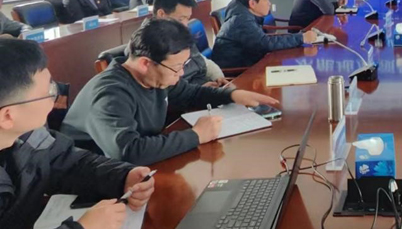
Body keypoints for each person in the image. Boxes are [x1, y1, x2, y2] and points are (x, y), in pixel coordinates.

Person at [0, 38, 156, 229]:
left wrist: (122, 176)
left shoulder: (25, 132)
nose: (54, 100)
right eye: (47, 93)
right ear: (8, 116)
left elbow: (67, 161)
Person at [61, 18, 279, 165]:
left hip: (139, 168)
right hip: (95, 183)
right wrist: (196, 135)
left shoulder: (156, 77)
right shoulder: (110, 93)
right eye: (177, 67)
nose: (181, 73)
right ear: (145, 63)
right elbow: (128, 151)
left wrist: (232, 95)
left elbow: (190, 94)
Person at [214, 0, 317, 68]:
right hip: (238, 73)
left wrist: (298, 37)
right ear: (252, 3)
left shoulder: (244, 15)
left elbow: (262, 42)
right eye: (265, 0)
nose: (269, 3)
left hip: (249, 63)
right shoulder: (241, 21)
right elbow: (265, 44)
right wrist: (301, 38)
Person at [148, 0, 227, 86]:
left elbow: (202, 61)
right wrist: (200, 90)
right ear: (161, 14)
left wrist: (219, 79)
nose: (185, 25)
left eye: (187, 18)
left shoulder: (180, 33)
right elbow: (169, 89)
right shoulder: (149, 44)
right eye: (181, 19)